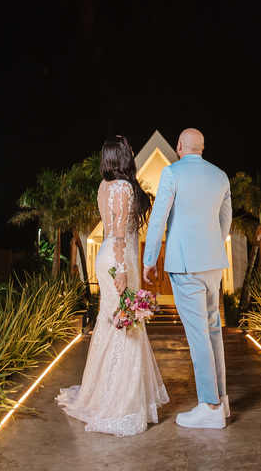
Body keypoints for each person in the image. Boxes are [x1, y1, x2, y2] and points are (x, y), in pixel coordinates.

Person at [57, 136, 169, 436]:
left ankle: (105, 390)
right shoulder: (121, 187)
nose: (133, 152)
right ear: (122, 155)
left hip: (109, 256)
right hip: (119, 260)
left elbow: (112, 229)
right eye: (130, 150)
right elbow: (119, 233)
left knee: (112, 323)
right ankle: (120, 401)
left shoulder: (104, 186)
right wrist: (121, 270)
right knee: (126, 325)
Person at [143, 128, 233, 429]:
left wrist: (149, 259)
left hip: (185, 264)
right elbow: (225, 220)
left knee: (198, 337)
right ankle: (221, 400)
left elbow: (158, 218)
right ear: (203, 148)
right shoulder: (221, 175)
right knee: (213, 331)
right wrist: (211, 249)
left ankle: (209, 406)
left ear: (180, 146)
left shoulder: (172, 173)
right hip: (213, 265)